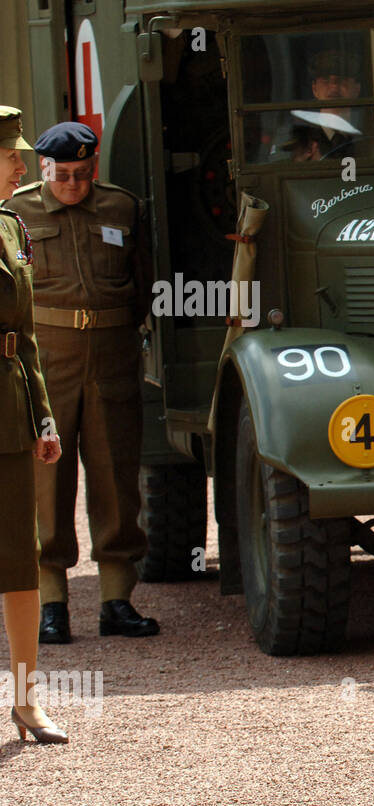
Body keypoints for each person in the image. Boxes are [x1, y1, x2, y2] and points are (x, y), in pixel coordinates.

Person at [2, 122, 159, 643]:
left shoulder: (121, 207)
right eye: (64, 175)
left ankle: (117, 599)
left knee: (116, 476)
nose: (74, 185)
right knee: (46, 483)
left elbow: (143, 280)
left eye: (84, 174)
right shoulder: (17, 212)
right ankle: (52, 604)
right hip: (48, 358)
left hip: (111, 356)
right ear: (44, 169)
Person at [0, 106, 68, 742]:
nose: (22, 166)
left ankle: (25, 701)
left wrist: (43, 415)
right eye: (11, 156)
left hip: (7, 412)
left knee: (20, 560)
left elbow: (25, 335)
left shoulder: (11, 228)